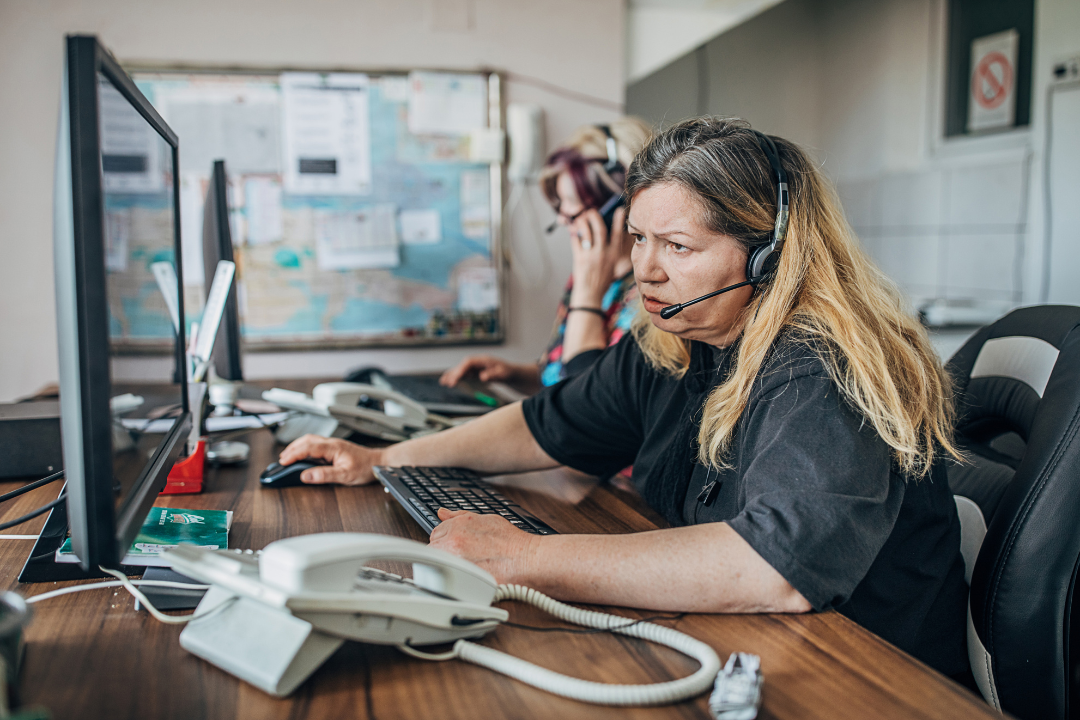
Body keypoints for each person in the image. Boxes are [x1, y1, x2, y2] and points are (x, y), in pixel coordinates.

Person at [280, 117, 970, 679]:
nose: (645, 268)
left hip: (864, 675)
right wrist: (386, 458)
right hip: (758, 644)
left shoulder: (821, 365)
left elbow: (773, 567)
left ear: (769, 254)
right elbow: (546, 425)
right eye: (639, 238)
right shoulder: (678, 339)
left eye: (677, 245)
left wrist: (522, 558)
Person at [440, 118, 652, 393]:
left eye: (572, 209)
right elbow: (558, 374)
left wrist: (588, 297)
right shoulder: (585, 277)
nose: (564, 221)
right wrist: (512, 374)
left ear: (618, 206)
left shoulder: (649, 297)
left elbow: (583, 402)